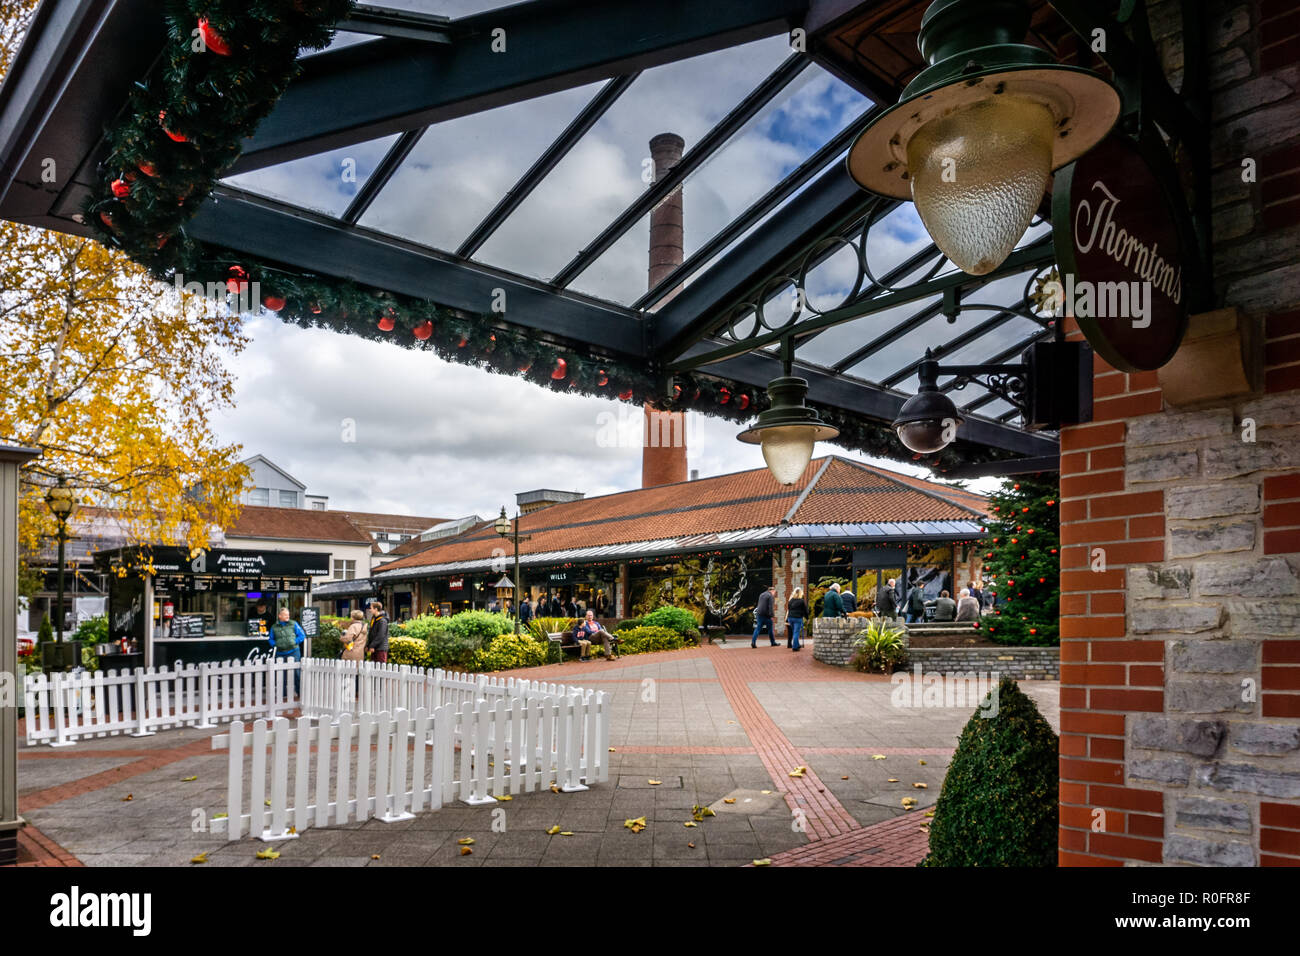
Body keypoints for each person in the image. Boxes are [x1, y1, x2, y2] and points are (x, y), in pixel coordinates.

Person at [267, 607, 306, 697]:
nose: (287, 616)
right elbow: (271, 639)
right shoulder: (274, 627)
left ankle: (299, 692)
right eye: (285, 614)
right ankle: (282, 693)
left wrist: (295, 642)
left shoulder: (294, 624)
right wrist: (275, 644)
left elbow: (302, 635)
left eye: (288, 614)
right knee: (281, 674)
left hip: (294, 651)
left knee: (296, 672)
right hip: (280, 653)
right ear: (280, 616)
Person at [787, 587, 807, 652]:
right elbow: (805, 611)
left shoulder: (791, 600)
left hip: (790, 618)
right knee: (796, 632)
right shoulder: (801, 601)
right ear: (801, 593)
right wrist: (807, 618)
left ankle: (797, 644)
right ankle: (795, 647)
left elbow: (789, 609)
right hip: (797, 618)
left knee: (794, 632)